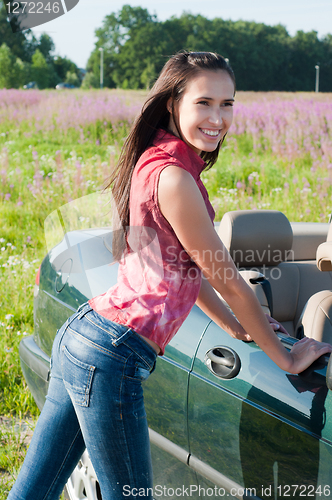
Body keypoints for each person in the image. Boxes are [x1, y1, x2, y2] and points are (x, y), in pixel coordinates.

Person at [8, 51, 332, 500]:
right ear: (172, 104)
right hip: (112, 355)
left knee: (34, 491)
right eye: (204, 103)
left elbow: (180, 268)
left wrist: (234, 326)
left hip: (86, 337)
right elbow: (229, 280)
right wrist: (286, 358)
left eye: (228, 104)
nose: (218, 118)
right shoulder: (176, 178)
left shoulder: (155, 160)